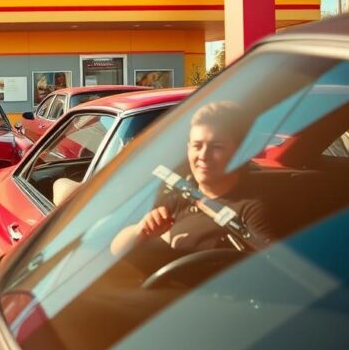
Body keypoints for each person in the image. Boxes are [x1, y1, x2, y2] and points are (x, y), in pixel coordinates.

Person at [110, 101, 275, 257]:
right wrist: (141, 230)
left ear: (240, 152)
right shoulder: (180, 198)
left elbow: (272, 268)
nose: (203, 156)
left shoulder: (251, 211)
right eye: (197, 146)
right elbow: (116, 249)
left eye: (216, 147)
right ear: (188, 149)